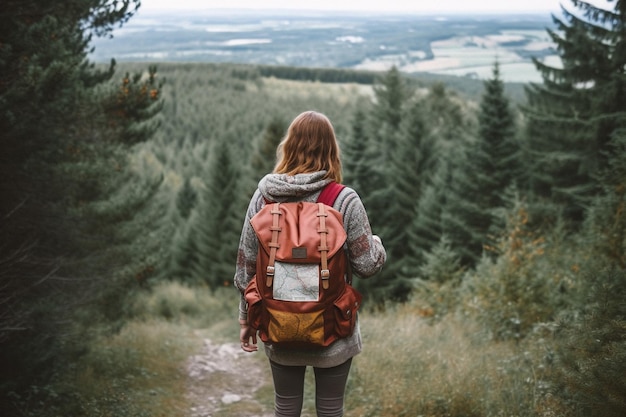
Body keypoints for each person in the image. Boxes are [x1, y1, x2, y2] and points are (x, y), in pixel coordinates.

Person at [234, 110, 386, 417]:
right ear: (331, 150)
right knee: (331, 410)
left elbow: (247, 265)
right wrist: (378, 245)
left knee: (286, 408)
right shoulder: (343, 199)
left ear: (289, 146)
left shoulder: (264, 197)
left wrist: (246, 318)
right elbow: (367, 265)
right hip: (333, 327)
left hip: (278, 322)